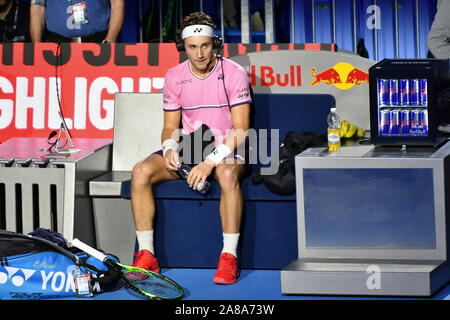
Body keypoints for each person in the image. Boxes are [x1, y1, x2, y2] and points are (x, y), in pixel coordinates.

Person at [131, 11, 252, 285]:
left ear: (216, 44)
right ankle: (147, 254)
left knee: (227, 174)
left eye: (205, 45)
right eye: (192, 47)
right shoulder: (173, 76)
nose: (199, 54)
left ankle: (229, 257)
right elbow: (169, 126)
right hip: (193, 145)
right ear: (183, 47)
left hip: (229, 146)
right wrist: (170, 147)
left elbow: (242, 128)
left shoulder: (234, 73)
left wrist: (209, 161)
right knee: (140, 172)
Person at [29, 0, 124, 43]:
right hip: (56, 45)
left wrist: (109, 40)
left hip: (97, 43)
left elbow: (117, 4)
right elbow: (37, 8)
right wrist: (37, 47)